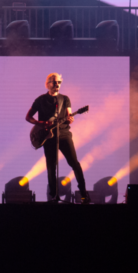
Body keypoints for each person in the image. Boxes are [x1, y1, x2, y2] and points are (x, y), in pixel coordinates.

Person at [25, 73, 90, 203]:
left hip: (64, 134)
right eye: (54, 82)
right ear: (48, 84)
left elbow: (68, 116)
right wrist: (41, 123)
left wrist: (70, 119)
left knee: (74, 163)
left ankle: (84, 194)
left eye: (59, 82)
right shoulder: (40, 100)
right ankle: (53, 196)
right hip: (48, 136)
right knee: (51, 167)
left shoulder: (64, 99)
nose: (57, 85)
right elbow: (28, 117)